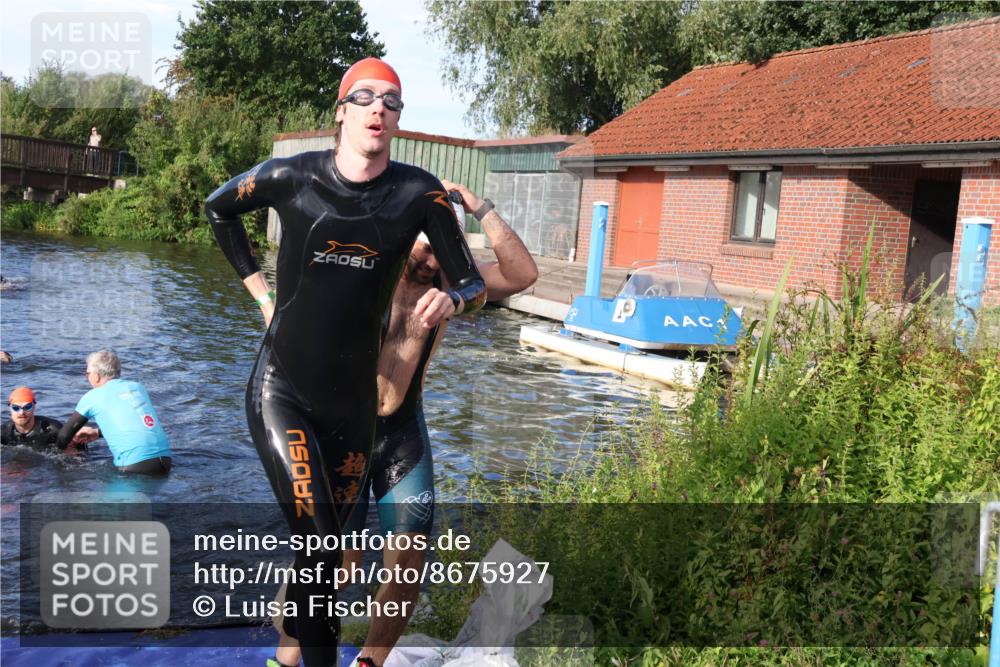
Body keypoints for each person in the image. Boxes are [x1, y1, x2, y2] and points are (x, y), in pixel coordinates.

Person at [203, 57, 486, 667]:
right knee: (319, 540)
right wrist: (258, 292)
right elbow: (218, 208)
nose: (378, 109)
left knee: (326, 556)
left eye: (391, 101)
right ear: (342, 110)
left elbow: (474, 282)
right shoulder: (290, 175)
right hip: (284, 390)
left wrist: (453, 297)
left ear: (399, 118)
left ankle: (303, 659)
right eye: (365, 98)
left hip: (355, 410)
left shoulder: (420, 194)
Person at [271, 181, 538, 667]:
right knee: (337, 563)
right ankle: (287, 657)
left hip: (401, 435)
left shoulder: (452, 284)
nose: (433, 261)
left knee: (408, 561)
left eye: (443, 250)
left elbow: (523, 274)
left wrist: (479, 207)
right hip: (340, 432)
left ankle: (369, 663)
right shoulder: (375, 266)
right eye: (426, 245)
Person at [55, 349, 172, 474]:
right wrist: (97, 433)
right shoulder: (137, 388)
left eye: (87, 373)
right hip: (165, 461)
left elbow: (63, 436)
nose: (87, 377)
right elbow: (134, 423)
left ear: (96, 376)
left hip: (134, 465)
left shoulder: (93, 396)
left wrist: (60, 453)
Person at [1, 386, 95, 451]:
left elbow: (80, 449)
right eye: (16, 408)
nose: (22, 412)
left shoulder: (52, 429)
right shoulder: (3, 432)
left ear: (34, 407)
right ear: (10, 409)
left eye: (27, 407)